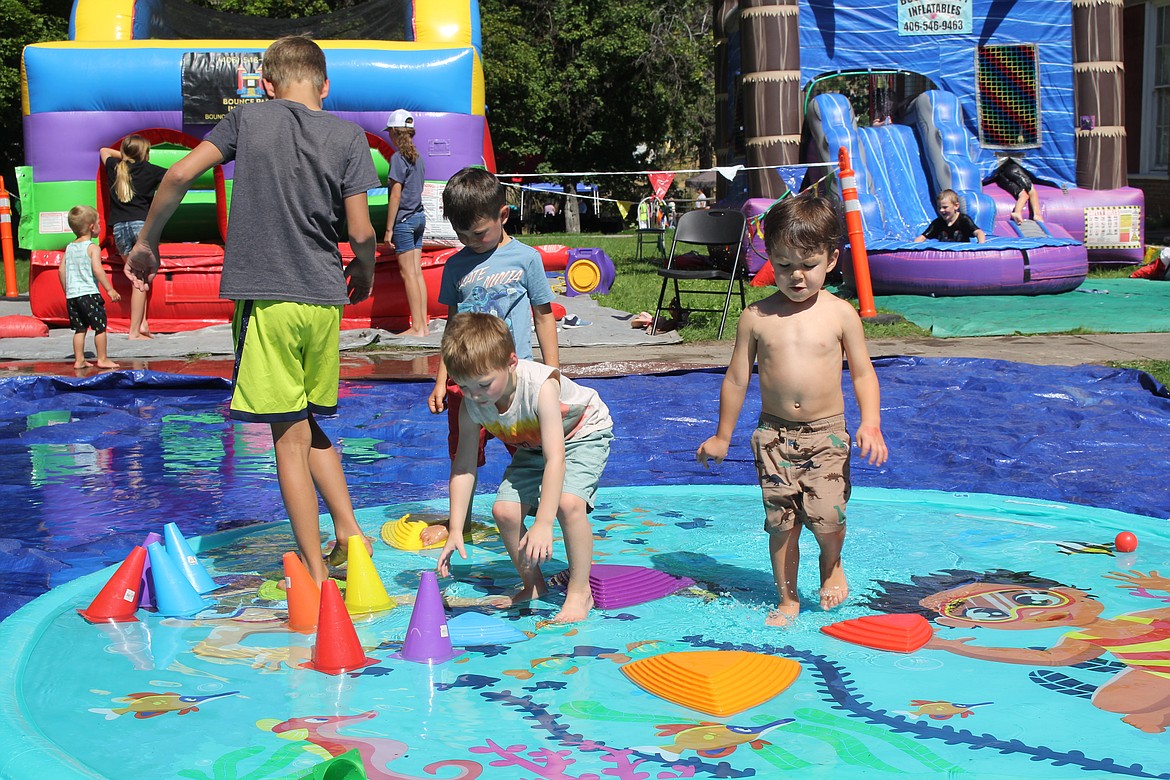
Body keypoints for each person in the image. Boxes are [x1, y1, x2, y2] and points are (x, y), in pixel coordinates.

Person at [127, 35, 379, 584]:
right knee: (308, 422)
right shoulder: (350, 135)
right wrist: (363, 268)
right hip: (323, 304)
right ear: (325, 85)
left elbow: (176, 176)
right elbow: (360, 230)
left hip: (268, 300)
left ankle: (314, 575)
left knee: (284, 439)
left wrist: (147, 241)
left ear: (265, 84)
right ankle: (350, 537)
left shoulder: (248, 121)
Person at [696, 194, 888, 627]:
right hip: (773, 437)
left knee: (826, 516)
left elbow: (862, 374)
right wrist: (722, 436)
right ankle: (787, 597)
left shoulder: (841, 314)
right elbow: (736, 378)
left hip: (827, 434)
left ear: (832, 259)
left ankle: (832, 563)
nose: (796, 276)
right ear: (770, 260)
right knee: (781, 523)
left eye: (808, 264)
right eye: (783, 265)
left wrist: (870, 422)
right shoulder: (757, 317)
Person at [436, 312, 612, 624]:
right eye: (464, 386)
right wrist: (455, 527)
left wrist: (544, 522)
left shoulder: (540, 387)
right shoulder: (471, 403)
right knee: (504, 511)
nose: (475, 395)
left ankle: (579, 592)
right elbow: (464, 466)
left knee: (568, 503)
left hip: (582, 433)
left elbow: (556, 459)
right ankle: (533, 585)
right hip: (535, 446)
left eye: (483, 384)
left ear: (512, 362)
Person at [428, 166, 559, 478]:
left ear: (503, 215)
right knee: (464, 454)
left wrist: (552, 374)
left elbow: (544, 315)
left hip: (516, 378)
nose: (470, 241)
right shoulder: (455, 266)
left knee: (534, 452)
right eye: (460, 235)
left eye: (477, 233)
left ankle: (542, 514)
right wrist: (440, 380)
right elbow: (452, 326)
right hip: (467, 378)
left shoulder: (525, 259)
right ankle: (461, 520)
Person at [100, 135, 167, 339]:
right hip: (142, 227)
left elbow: (104, 149)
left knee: (138, 277)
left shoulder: (115, 167)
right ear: (144, 153)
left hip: (120, 229)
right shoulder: (151, 170)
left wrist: (124, 157)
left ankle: (143, 324)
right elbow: (176, 176)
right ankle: (134, 331)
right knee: (139, 279)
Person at [383, 109, 430, 338]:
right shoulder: (418, 158)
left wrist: (389, 228)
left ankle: (417, 328)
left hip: (403, 220)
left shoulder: (397, 158)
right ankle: (424, 323)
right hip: (419, 217)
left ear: (393, 132)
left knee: (408, 274)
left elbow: (395, 195)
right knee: (417, 273)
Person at [59, 205, 121, 370]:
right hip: (89, 295)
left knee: (80, 329)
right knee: (100, 327)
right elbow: (97, 269)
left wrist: (68, 291)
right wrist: (110, 289)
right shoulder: (93, 248)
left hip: (73, 296)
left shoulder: (69, 247)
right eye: (99, 223)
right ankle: (102, 358)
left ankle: (79, 360)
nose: (101, 226)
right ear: (92, 227)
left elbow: (61, 270)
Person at [913, 189, 986, 244]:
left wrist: (981, 245)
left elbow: (979, 232)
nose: (941, 210)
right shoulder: (937, 223)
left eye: (945, 207)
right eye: (939, 207)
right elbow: (922, 237)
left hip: (961, 255)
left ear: (956, 206)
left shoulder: (963, 220)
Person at [993, 156, 1043, 224]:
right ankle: (1037, 214)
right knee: (1032, 191)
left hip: (1000, 176)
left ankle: (1017, 212)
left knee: (1023, 195)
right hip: (1013, 169)